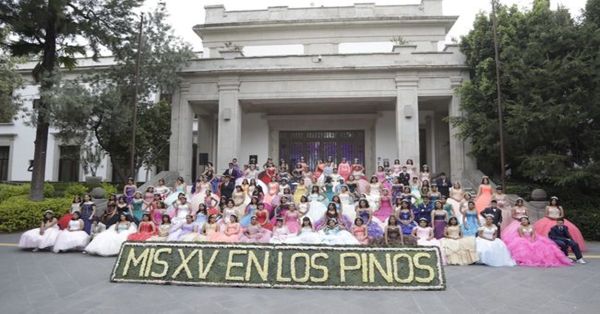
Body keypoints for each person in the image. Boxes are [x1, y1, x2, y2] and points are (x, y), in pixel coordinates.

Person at [506, 217, 572, 267]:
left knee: (543, 246)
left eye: (525, 220)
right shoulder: (520, 227)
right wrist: (527, 241)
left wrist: (532, 239)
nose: (524, 221)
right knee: (525, 247)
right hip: (523, 239)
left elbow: (534, 234)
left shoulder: (531, 226)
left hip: (532, 238)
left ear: (528, 220)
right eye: (522, 220)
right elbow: (521, 235)